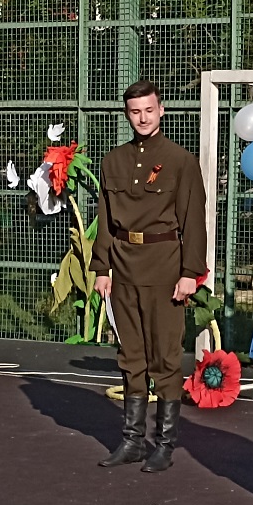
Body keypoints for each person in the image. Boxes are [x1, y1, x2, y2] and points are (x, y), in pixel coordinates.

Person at [91, 79, 207, 473]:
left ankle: (165, 444)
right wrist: (102, 267)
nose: (142, 118)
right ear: (127, 115)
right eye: (135, 111)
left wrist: (189, 273)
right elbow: (106, 220)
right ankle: (132, 441)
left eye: (149, 110)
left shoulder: (180, 161)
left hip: (164, 267)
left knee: (165, 358)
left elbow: (193, 222)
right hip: (123, 267)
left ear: (161, 111)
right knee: (131, 357)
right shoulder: (113, 161)